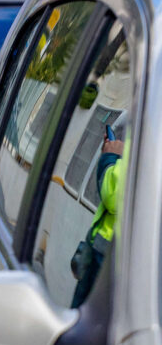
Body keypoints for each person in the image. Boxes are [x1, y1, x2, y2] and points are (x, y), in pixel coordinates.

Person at [71, 126, 125, 307]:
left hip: (108, 257)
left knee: (82, 324)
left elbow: (113, 196)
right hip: (108, 252)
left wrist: (110, 157)